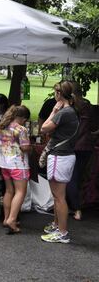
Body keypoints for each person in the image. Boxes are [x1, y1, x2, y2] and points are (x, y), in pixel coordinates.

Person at [40, 81, 81, 244]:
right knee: (58, 196)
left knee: (59, 197)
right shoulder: (72, 111)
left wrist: (53, 110)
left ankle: (62, 232)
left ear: (59, 94)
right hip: (66, 155)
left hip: (60, 156)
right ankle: (58, 227)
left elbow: (44, 128)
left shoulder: (64, 112)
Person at [0, 105, 31, 234]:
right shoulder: (21, 129)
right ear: (23, 118)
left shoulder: (2, 126)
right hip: (18, 164)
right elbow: (25, 148)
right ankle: (12, 220)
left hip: (4, 164)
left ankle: (6, 218)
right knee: (20, 192)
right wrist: (31, 148)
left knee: (9, 191)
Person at [66, 82, 96, 221]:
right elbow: (93, 127)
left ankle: (76, 208)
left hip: (74, 146)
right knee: (78, 177)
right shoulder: (88, 106)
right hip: (87, 146)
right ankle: (74, 206)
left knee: (71, 178)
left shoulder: (71, 108)